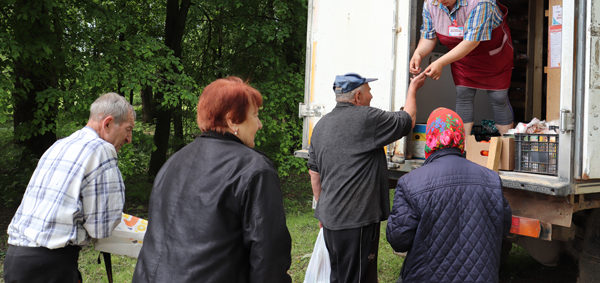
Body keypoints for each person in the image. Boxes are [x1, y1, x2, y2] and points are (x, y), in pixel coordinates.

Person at [132, 76, 292, 283]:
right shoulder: (253, 169)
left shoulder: (173, 161)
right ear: (232, 119)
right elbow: (268, 254)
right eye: (255, 115)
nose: (259, 125)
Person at [308, 71, 426, 283]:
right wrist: (413, 89)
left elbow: (314, 173)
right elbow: (408, 121)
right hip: (357, 222)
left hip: (330, 220)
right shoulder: (367, 118)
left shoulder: (320, 126)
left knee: (337, 276)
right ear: (358, 97)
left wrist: (322, 209)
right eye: (369, 91)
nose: (371, 96)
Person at [4, 93, 135, 283]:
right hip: (50, 267)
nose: (129, 139)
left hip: (16, 260)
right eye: (128, 129)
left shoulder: (61, 144)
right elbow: (101, 228)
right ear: (107, 124)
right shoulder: (101, 149)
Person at [386, 107, 512, 283]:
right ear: (461, 138)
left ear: (429, 139)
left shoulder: (410, 182)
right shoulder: (491, 179)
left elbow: (398, 240)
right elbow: (504, 227)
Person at [410, 0, 514, 135]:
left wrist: (440, 62)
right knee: (463, 94)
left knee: (498, 97)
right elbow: (429, 35)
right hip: (461, 56)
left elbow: (471, 42)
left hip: (492, 55)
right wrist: (418, 53)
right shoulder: (431, 0)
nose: (439, 0)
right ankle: (462, 147)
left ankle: (508, 148)